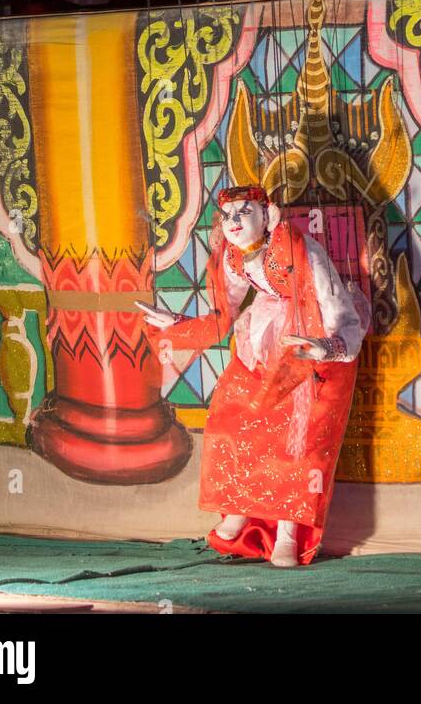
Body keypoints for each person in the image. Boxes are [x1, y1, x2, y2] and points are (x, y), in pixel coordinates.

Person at [140, 185, 369, 568]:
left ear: (269, 214)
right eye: (227, 215)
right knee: (231, 418)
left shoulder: (302, 251)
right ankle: (241, 508)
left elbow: (341, 315)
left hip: (310, 341)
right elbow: (221, 316)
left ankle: (287, 533)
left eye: (243, 212)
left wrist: (323, 348)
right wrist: (175, 324)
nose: (233, 223)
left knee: (292, 441)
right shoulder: (233, 256)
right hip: (262, 341)